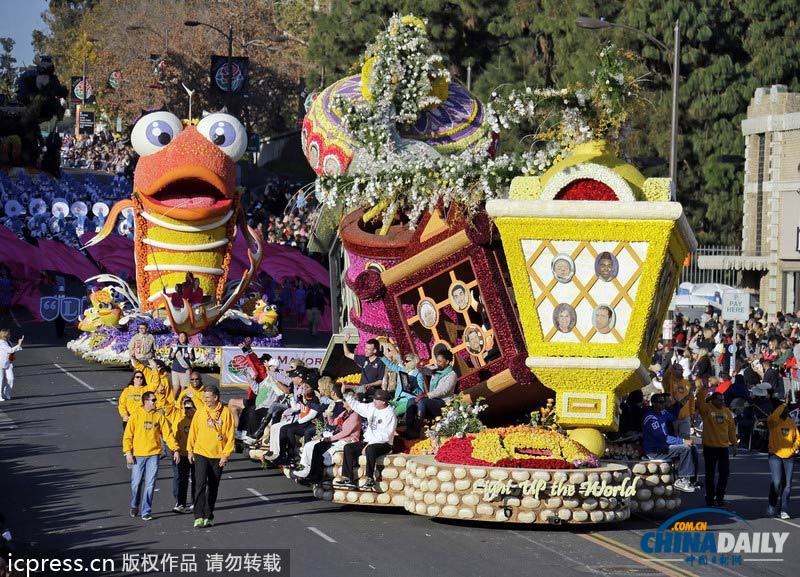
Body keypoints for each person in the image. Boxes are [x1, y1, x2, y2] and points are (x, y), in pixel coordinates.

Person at [122, 391, 180, 521]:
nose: (155, 402)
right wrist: (128, 453)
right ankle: (134, 504)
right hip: (138, 455)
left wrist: (175, 449)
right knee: (136, 483)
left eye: (155, 400)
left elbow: (168, 434)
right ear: (145, 401)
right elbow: (127, 436)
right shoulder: (136, 415)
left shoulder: (159, 416)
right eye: (153, 400)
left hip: (153, 454)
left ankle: (146, 510)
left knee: (150, 483)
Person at [187, 385, 235, 529]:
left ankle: (208, 515)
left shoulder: (226, 413)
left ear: (215, 398)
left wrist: (226, 454)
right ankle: (198, 516)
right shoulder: (200, 412)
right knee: (200, 484)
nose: (205, 400)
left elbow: (230, 435)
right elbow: (193, 432)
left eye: (208, 397)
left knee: (213, 486)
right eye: (204, 397)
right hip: (201, 453)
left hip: (218, 455)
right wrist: (190, 450)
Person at [292, 385, 360, 484]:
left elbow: (346, 432)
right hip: (336, 437)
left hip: (347, 439)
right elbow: (333, 423)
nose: (343, 402)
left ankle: (315, 475)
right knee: (308, 445)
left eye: (345, 401)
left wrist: (329, 438)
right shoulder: (345, 413)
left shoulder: (355, 415)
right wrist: (329, 414)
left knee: (318, 448)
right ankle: (304, 469)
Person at [336, 388, 396, 490]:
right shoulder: (372, 407)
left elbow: (385, 435)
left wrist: (369, 444)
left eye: (377, 400)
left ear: (384, 402)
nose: (374, 401)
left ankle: (370, 478)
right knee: (348, 448)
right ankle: (348, 478)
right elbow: (357, 406)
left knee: (370, 449)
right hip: (369, 441)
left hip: (384, 444)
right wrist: (345, 393)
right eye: (374, 399)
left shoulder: (390, 414)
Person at [642, 393, 698, 492]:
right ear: (653, 403)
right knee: (685, 449)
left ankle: (692, 480)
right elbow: (662, 438)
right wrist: (682, 441)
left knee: (694, 448)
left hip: (663, 446)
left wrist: (683, 401)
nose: (663, 404)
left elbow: (674, 416)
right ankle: (681, 480)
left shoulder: (662, 412)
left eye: (664, 402)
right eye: (660, 402)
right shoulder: (651, 418)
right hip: (654, 450)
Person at [695, 383, 737, 508]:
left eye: (723, 400)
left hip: (723, 448)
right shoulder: (707, 409)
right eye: (719, 400)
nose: (721, 402)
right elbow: (700, 401)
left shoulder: (727, 412)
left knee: (724, 474)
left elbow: (731, 429)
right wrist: (704, 388)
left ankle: (720, 498)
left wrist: (734, 444)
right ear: (712, 400)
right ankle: (709, 499)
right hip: (710, 447)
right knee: (710, 475)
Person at [405, 348, 457, 439]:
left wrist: (426, 395)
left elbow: (443, 391)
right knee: (411, 401)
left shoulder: (452, 375)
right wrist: (420, 366)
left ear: (447, 361)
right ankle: (409, 429)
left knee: (422, 402)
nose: (438, 363)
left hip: (443, 402)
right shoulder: (436, 371)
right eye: (437, 361)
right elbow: (424, 370)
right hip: (432, 400)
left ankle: (416, 431)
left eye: (440, 361)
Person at [766, 399, 800, 519]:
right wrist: (782, 405)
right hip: (775, 455)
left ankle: (783, 510)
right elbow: (772, 418)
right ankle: (772, 504)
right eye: (783, 409)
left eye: (786, 409)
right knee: (777, 482)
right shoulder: (773, 421)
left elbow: (797, 438)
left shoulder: (791, 422)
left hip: (789, 456)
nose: (786, 411)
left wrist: (794, 448)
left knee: (787, 485)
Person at [171, 398, 196, 514]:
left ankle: (195, 502)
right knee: (182, 479)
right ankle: (181, 503)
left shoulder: (198, 420)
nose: (186, 410)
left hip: (196, 454)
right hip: (183, 454)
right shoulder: (180, 421)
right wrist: (175, 450)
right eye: (185, 408)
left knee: (197, 479)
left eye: (189, 407)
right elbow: (174, 437)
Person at [381, 352, 425, 416]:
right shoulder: (403, 370)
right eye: (404, 361)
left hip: (408, 401)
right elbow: (391, 365)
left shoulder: (418, 375)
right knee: (382, 404)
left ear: (413, 362)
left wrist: (414, 388)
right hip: (397, 399)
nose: (404, 363)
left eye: (406, 361)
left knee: (392, 413)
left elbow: (421, 392)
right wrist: (382, 356)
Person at [664, 366, 695, 438]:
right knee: (674, 442)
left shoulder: (687, 383)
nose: (682, 371)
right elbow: (665, 377)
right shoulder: (669, 382)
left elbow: (691, 399)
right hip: (673, 416)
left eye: (682, 370)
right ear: (673, 370)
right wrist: (669, 368)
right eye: (680, 370)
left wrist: (692, 413)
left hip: (685, 417)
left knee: (686, 440)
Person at [169, 332, 195, 398]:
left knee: (183, 389)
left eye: (183, 336)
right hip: (176, 370)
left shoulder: (189, 346)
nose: (181, 338)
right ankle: (173, 402)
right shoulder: (175, 346)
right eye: (180, 336)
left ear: (186, 338)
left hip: (185, 371)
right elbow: (170, 358)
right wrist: (174, 351)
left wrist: (189, 352)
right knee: (176, 388)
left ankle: (180, 403)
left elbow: (192, 359)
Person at [0, 329, 23, 401]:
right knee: (0, 380)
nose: (10, 335)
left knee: (11, 378)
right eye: (9, 334)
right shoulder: (1, 342)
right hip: (0, 363)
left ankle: (7, 393)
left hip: (8, 363)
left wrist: (19, 345)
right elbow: (10, 350)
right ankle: (0, 396)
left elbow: (12, 350)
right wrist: (19, 344)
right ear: (5, 335)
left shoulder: (8, 342)